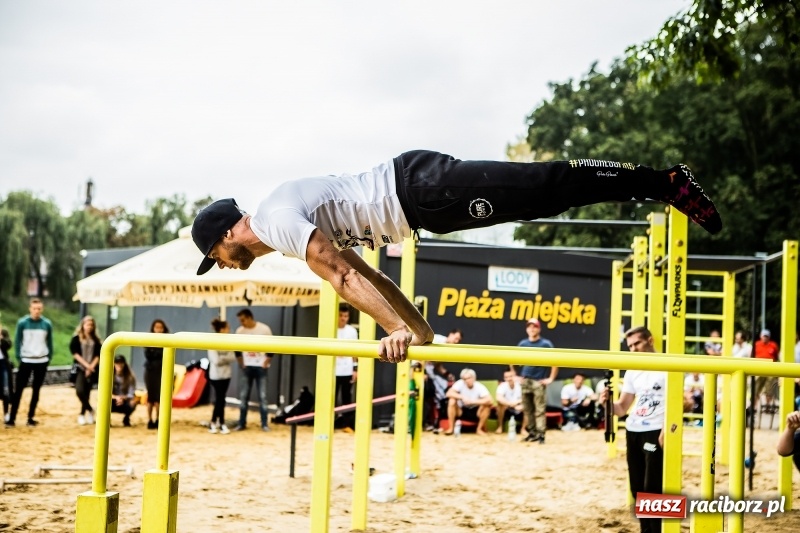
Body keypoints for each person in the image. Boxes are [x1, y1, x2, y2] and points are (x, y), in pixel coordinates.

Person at [191, 151, 722, 363]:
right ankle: (657, 184)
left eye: (216, 256)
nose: (224, 264)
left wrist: (388, 329)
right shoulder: (285, 231)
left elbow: (344, 276)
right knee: (543, 196)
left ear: (224, 235)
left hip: (421, 188)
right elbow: (371, 274)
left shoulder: (276, 220)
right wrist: (416, 332)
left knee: (543, 184)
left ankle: (662, 182)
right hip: (424, 205)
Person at [600, 326, 666, 533]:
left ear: (650, 340)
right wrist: (606, 403)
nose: (633, 349)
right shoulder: (632, 370)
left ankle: (655, 530)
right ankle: (645, 530)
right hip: (633, 428)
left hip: (655, 429)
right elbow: (621, 409)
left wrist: (667, 429)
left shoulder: (668, 365)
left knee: (652, 485)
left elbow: (679, 402)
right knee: (636, 487)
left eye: (637, 343)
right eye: (629, 346)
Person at [7, 298, 53, 428]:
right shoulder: (22, 323)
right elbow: (17, 341)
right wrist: (19, 357)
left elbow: (50, 342)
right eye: (34, 308)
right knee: (19, 390)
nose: (37, 311)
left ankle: (30, 417)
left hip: (41, 360)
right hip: (26, 360)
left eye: (39, 308)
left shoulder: (47, 324)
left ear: (42, 309)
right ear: (30, 309)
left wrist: (48, 357)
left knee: (36, 390)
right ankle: (12, 418)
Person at [516, 318, 558, 443]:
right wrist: (516, 375)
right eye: (529, 327)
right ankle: (532, 433)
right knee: (528, 410)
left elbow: (555, 362)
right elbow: (513, 360)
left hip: (538, 381)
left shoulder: (546, 344)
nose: (532, 329)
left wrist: (550, 379)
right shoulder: (522, 344)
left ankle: (541, 435)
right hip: (525, 380)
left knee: (539, 410)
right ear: (526, 329)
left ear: (539, 329)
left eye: (534, 327)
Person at [234, 308, 273, 432]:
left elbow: (272, 347)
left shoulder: (264, 329)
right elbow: (236, 349)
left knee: (263, 397)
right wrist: (242, 363)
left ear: (250, 318)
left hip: (260, 366)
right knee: (243, 397)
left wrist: (266, 362)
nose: (242, 323)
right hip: (247, 367)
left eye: (243, 320)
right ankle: (242, 423)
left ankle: (264, 424)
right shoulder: (240, 331)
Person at [207, 317, 237, 435]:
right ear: (222, 329)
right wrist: (225, 358)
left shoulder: (229, 341)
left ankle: (217, 422)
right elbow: (216, 360)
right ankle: (217, 422)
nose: (229, 330)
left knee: (221, 398)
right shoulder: (213, 341)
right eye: (227, 328)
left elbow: (233, 357)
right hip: (215, 376)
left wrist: (223, 358)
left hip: (226, 375)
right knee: (220, 399)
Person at [70, 316, 102, 426]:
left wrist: (91, 367)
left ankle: (83, 413)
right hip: (80, 368)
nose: (89, 327)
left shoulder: (96, 340)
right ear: (83, 325)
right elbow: (75, 354)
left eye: (91, 325)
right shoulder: (76, 338)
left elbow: (98, 355)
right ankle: (90, 409)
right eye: (87, 324)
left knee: (87, 392)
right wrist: (87, 366)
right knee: (79, 390)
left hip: (92, 369)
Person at [445, 368, 493, 435]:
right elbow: (448, 393)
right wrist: (462, 397)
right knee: (451, 400)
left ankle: (479, 429)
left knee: (487, 406)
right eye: (465, 379)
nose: (467, 380)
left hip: (476, 411)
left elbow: (490, 400)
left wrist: (473, 401)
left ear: (474, 378)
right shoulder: (459, 383)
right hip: (461, 410)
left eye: (469, 378)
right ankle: (451, 428)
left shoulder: (479, 386)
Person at [144, 318, 169, 430]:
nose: (158, 330)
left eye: (160, 328)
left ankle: (158, 419)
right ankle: (149, 419)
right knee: (151, 397)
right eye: (156, 327)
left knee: (159, 397)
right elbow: (148, 355)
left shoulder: (168, 340)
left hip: (162, 371)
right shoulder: (148, 340)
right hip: (150, 371)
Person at [335, 303, 358, 409]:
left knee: (346, 396)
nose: (343, 319)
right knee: (332, 395)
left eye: (345, 316)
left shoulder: (352, 331)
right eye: (341, 315)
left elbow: (355, 352)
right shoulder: (332, 329)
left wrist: (355, 369)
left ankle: (346, 421)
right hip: (334, 369)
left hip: (347, 369)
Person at [754, 329, 780, 408]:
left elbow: (776, 357)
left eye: (766, 336)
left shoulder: (773, 345)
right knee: (755, 389)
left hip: (770, 370)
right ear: (761, 336)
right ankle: (754, 407)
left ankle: (767, 406)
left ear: (769, 337)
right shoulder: (757, 344)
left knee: (769, 390)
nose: (765, 338)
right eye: (764, 336)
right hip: (759, 369)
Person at [111, 355, 137, 427]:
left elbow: (131, 394)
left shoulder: (130, 377)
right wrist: (116, 397)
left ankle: (126, 418)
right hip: (112, 400)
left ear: (124, 364)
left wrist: (122, 398)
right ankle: (106, 420)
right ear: (114, 364)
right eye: (117, 363)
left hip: (125, 400)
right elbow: (104, 393)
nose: (119, 365)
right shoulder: (109, 375)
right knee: (102, 401)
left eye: (121, 363)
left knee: (133, 402)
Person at [495, 369, 523, 434]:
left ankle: (523, 429)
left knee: (528, 406)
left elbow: (525, 398)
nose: (509, 379)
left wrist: (517, 404)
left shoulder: (521, 385)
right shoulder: (502, 386)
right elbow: (498, 398)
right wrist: (510, 404)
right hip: (507, 409)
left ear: (515, 376)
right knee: (500, 405)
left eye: (510, 376)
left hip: (519, 408)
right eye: (506, 377)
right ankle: (500, 427)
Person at [0, 326, 13, 423]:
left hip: (2, 364)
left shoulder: (3, 331)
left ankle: (6, 413)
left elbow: (8, 344)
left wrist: (1, 338)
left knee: (5, 390)